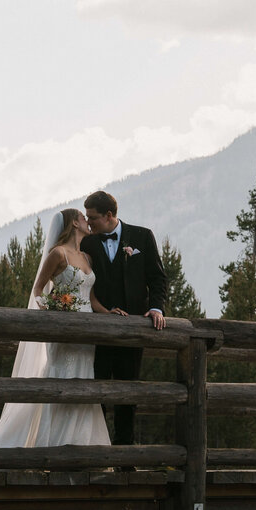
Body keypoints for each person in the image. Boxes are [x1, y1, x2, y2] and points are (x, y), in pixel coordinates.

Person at [0, 208, 110, 449]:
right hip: (63, 329)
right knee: (60, 380)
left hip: (88, 332)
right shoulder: (57, 254)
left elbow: (90, 299)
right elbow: (38, 289)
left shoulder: (87, 258)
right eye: (84, 218)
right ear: (74, 223)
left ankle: (80, 445)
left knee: (84, 381)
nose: (87, 221)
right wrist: (51, 311)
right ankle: (52, 445)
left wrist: (109, 313)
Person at [81, 189, 168, 445]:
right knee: (96, 392)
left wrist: (157, 308)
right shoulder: (87, 242)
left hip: (133, 330)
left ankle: (124, 456)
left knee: (128, 392)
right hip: (97, 330)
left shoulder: (141, 236)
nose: (88, 223)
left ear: (109, 215)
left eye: (93, 218)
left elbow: (157, 277)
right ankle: (96, 448)